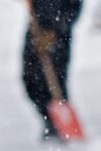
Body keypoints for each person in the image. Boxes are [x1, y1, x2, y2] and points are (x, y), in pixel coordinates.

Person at [21, 0, 84, 140]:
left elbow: (74, 9)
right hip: (36, 28)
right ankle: (48, 118)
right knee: (30, 79)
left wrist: (55, 31)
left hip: (59, 36)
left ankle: (57, 124)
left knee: (56, 83)